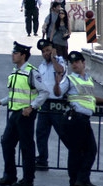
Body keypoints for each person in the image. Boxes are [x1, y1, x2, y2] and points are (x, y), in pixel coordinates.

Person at [0, 41, 49, 186]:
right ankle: (9, 176)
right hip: (15, 113)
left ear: (23, 55)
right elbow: (14, 94)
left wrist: (32, 107)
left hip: (26, 114)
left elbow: (44, 92)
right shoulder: (15, 71)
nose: (12, 55)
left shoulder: (31, 72)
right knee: (7, 142)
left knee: (26, 147)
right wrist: (0, 102)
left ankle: (28, 179)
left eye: (15, 53)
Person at [54, 51, 103, 186]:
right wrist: (57, 84)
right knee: (81, 151)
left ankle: (79, 181)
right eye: (72, 63)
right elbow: (58, 93)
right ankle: (79, 180)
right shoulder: (69, 79)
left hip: (83, 120)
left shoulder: (88, 79)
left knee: (86, 151)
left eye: (77, 62)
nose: (74, 64)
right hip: (75, 118)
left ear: (83, 63)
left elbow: (89, 96)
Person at [35, 39, 66, 170]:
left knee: (64, 133)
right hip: (44, 103)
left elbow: (60, 71)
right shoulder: (41, 67)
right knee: (41, 132)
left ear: (53, 50)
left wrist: (54, 58)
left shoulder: (60, 61)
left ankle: (77, 156)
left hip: (57, 104)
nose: (45, 53)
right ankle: (42, 160)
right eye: (43, 51)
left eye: (48, 50)